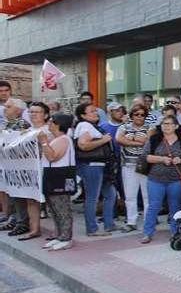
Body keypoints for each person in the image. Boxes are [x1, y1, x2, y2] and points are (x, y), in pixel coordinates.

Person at [141, 116, 181, 244]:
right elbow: (146, 156)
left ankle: (175, 231)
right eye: (163, 124)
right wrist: (162, 159)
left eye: (168, 124)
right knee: (154, 206)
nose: (165, 126)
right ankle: (147, 233)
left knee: (175, 206)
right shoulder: (154, 139)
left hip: (176, 179)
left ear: (176, 126)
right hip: (155, 178)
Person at [74, 103, 117, 237]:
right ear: (83, 115)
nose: (96, 113)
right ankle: (92, 228)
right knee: (92, 197)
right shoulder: (84, 125)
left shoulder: (91, 126)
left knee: (110, 194)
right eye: (91, 111)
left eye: (95, 111)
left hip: (100, 166)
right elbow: (83, 145)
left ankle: (109, 224)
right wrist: (103, 140)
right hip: (92, 166)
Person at [37, 113, 77, 251]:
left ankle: (66, 237)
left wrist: (43, 142)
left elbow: (52, 156)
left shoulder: (63, 139)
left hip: (60, 177)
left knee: (62, 208)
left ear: (58, 124)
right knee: (53, 208)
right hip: (52, 175)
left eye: (51, 121)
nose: (48, 123)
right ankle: (59, 235)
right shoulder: (56, 139)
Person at [16, 102, 51, 240]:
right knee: (31, 199)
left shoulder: (49, 130)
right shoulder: (26, 131)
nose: (33, 114)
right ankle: (34, 229)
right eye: (31, 112)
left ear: (45, 115)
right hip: (30, 170)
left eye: (37, 112)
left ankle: (59, 231)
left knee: (51, 201)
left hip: (46, 169)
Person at [116, 104, 151, 232]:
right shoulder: (123, 126)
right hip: (128, 165)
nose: (139, 117)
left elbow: (150, 140)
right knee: (130, 195)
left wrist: (129, 139)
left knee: (147, 195)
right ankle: (131, 221)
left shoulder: (150, 127)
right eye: (137, 114)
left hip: (145, 165)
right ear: (131, 115)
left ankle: (148, 221)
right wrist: (139, 141)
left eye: (142, 114)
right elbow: (119, 140)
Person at [0, 98, 31, 235]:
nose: (5, 109)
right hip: (8, 165)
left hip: (19, 166)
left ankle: (22, 222)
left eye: (8, 107)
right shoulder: (7, 124)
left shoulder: (22, 124)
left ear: (18, 110)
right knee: (11, 193)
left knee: (19, 195)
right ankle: (13, 219)